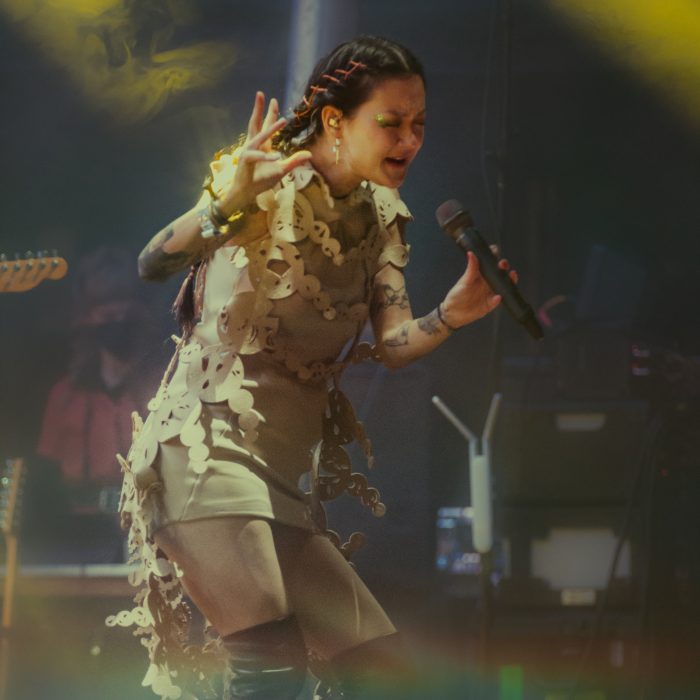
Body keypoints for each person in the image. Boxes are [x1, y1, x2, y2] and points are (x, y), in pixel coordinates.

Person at [109, 35, 516, 700]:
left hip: (281, 480)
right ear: (334, 120)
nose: (409, 141)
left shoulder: (382, 217)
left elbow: (394, 343)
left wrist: (451, 315)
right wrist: (224, 203)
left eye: (419, 125)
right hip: (203, 450)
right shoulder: (264, 179)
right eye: (391, 123)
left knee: (383, 676)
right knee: (271, 667)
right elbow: (153, 261)